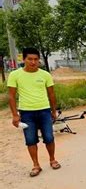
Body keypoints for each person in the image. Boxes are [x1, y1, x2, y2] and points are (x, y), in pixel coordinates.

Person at [8, 47, 61, 177]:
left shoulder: (45, 75)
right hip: (26, 113)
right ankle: (36, 165)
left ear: (39, 60)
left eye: (36, 59)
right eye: (30, 59)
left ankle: (52, 159)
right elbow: (11, 96)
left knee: (49, 137)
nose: (33, 62)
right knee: (31, 140)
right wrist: (15, 115)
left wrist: (53, 111)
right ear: (24, 59)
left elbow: (52, 94)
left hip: (44, 111)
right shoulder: (15, 75)